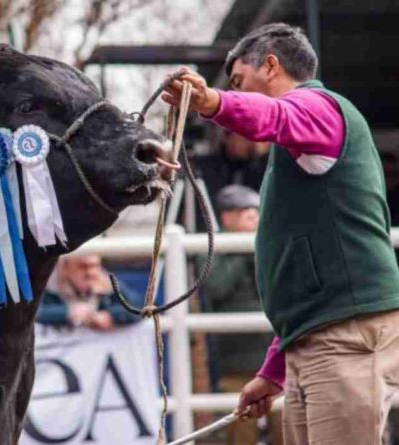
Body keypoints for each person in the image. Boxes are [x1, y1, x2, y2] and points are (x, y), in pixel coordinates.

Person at [162, 23, 399, 444]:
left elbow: (273, 115)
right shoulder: (301, 140)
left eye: (239, 82)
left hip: (343, 339)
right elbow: (305, 277)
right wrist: (275, 369)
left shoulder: (319, 107)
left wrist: (212, 102)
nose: (234, 93)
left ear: (271, 66)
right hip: (322, 340)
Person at [202, 185, 282, 445]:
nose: (254, 217)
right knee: (240, 432)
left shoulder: (269, 243)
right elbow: (215, 287)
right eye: (245, 212)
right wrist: (242, 249)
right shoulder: (213, 248)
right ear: (226, 217)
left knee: (286, 427)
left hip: (275, 354)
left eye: (255, 211)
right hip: (235, 358)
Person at [36, 254, 142, 330]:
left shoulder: (107, 283)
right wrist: (68, 313)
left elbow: (138, 307)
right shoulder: (48, 287)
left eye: (94, 266)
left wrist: (111, 316)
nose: (90, 272)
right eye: (82, 267)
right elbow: (34, 314)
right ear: (65, 269)